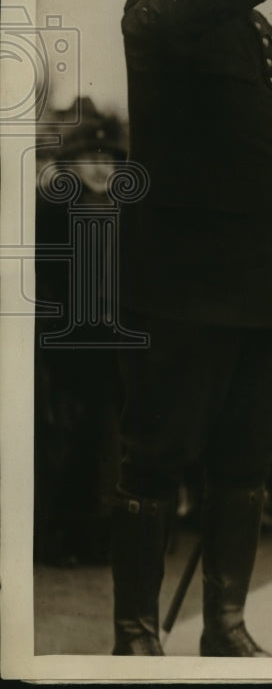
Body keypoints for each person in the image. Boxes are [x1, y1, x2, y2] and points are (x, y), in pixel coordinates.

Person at [115, 0, 272, 656]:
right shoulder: (158, 3)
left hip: (262, 296)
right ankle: (134, 633)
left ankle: (225, 625)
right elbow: (172, 32)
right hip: (185, 294)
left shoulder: (264, 40)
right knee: (154, 460)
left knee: (244, 464)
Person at [34, 100, 126, 566]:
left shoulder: (124, 211)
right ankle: (58, 536)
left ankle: (95, 533)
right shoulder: (53, 209)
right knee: (64, 443)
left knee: (106, 440)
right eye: (91, 158)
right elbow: (44, 276)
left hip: (112, 344)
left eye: (109, 158)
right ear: (69, 164)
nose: (101, 167)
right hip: (67, 344)